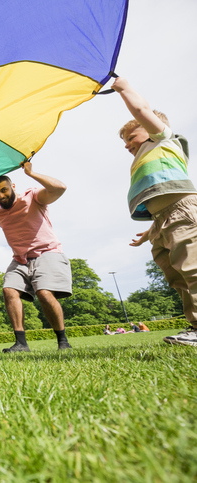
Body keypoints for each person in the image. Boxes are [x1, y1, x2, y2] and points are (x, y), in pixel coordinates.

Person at [112, 77, 197, 348]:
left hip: (183, 212)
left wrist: (122, 88)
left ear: (151, 128)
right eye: (124, 142)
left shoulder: (164, 139)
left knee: (193, 270)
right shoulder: (144, 155)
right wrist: (150, 231)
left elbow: (142, 111)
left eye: (130, 137)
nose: (126, 145)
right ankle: (195, 326)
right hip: (163, 222)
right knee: (179, 277)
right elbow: (159, 199)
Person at [0, 162, 73, 352]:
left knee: (44, 293)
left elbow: (60, 188)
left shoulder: (32, 196)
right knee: (9, 290)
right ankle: (21, 344)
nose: (1, 196)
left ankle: (63, 341)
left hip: (47, 253)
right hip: (20, 260)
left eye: (4, 190)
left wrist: (31, 173)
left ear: (13, 187)